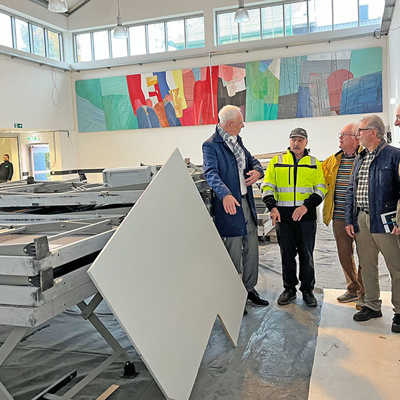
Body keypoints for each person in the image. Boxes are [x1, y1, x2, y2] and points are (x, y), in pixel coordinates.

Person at [202, 105, 269, 308]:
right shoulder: (211, 145)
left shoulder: (237, 141)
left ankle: (249, 289)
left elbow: (253, 162)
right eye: (240, 123)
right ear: (230, 124)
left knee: (252, 247)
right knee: (233, 251)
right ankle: (233, 296)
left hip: (245, 203)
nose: (243, 126)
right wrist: (225, 195)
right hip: (229, 207)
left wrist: (258, 172)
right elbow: (211, 174)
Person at [345, 115, 400, 333]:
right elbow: (352, 189)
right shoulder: (361, 157)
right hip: (362, 219)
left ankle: (399, 311)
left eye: (361, 131)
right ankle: (371, 304)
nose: (357, 135)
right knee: (367, 265)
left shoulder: (394, 156)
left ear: (373, 132)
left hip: (386, 220)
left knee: (396, 267)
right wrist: (350, 218)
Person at [262, 128, 327, 307]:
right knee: (287, 254)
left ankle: (307, 290)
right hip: (284, 217)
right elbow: (267, 185)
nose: (296, 143)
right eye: (293, 139)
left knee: (307, 255)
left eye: (300, 140)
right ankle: (289, 289)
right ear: (289, 141)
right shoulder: (277, 161)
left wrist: (306, 206)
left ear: (306, 142)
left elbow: (321, 188)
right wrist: (272, 207)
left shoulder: (314, 163)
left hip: (306, 218)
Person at [322, 123, 364, 304]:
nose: (339, 138)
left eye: (343, 135)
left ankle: (364, 291)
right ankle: (353, 288)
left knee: (365, 256)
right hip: (339, 217)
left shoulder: (366, 157)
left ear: (355, 138)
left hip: (361, 217)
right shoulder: (333, 160)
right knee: (344, 254)